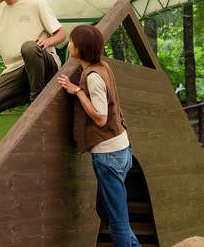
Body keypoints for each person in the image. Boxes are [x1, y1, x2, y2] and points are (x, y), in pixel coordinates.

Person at [57, 25, 142, 247]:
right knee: (104, 210)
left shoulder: (93, 76)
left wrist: (77, 91)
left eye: (72, 41)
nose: (69, 44)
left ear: (81, 48)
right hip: (121, 148)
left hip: (109, 154)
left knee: (117, 219)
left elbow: (101, 118)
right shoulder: (103, 66)